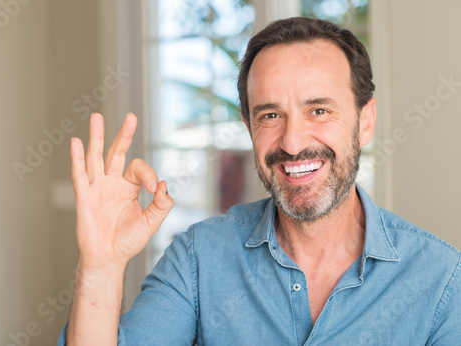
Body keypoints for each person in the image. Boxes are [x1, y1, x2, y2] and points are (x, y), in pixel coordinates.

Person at [59, 17, 461, 345]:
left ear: (366, 120)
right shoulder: (198, 259)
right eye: (270, 115)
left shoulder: (442, 279)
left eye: (318, 110)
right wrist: (101, 268)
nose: (292, 141)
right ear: (250, 126)